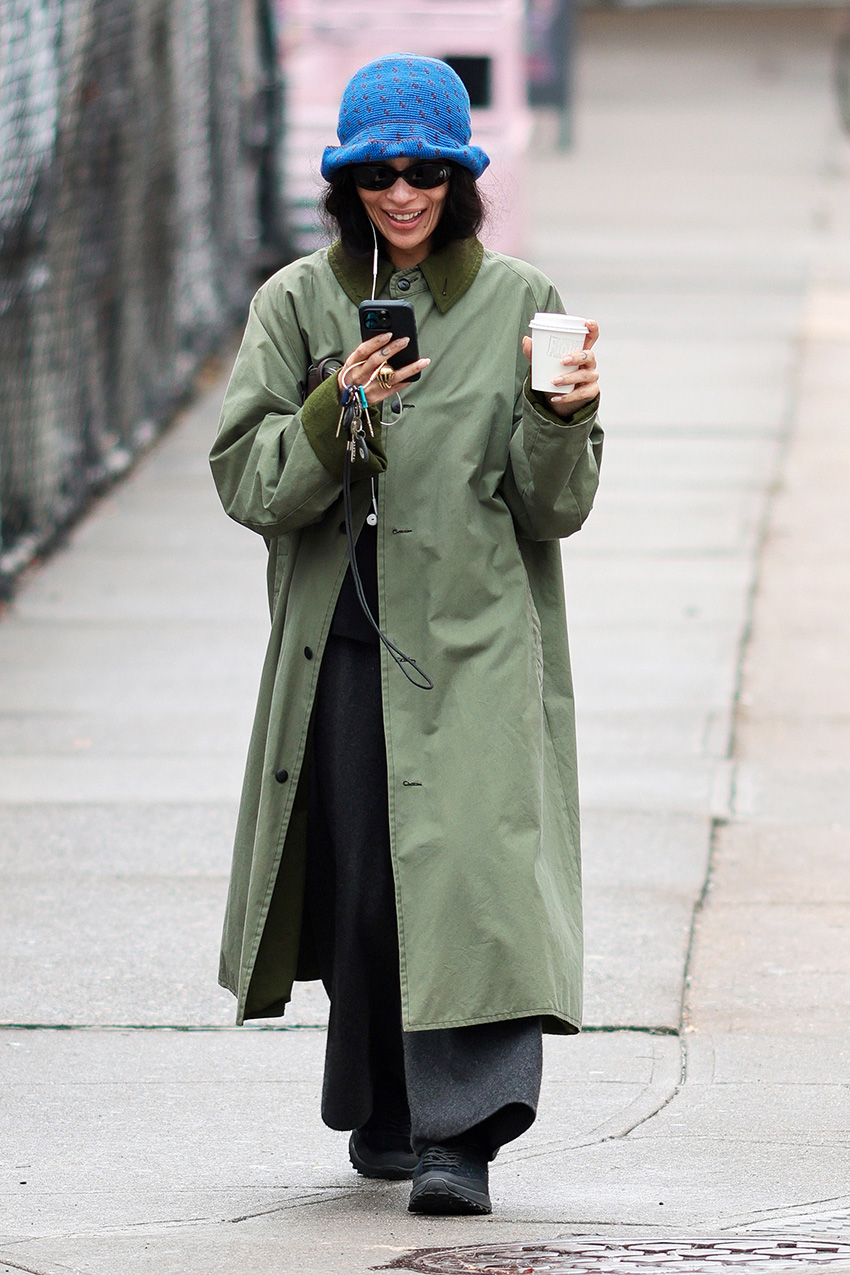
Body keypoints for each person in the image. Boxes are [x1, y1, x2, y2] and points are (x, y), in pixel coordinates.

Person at [210, 54, 602, 1217]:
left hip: (477, 638)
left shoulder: (521, 301)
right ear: (343, 183)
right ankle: (388, 1112)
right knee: (370, 887)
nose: (401, 192)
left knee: (472, 878)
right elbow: (249, 481)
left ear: (460, 178)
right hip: (341, 637)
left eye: (425, 170)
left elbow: (556, 508)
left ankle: (461, 1138)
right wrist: (338, 411)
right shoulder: (294, 305)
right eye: (376, 173)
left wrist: (559, 416)